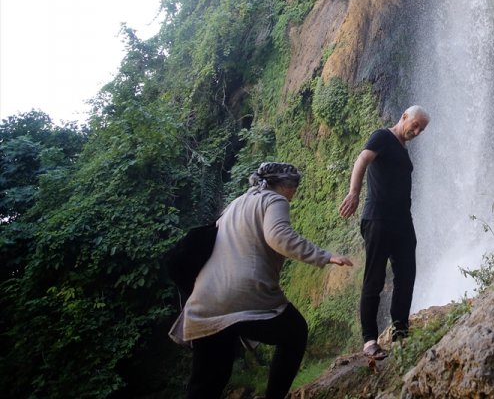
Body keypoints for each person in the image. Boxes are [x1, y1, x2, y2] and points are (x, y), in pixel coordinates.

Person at [169, 162, 353, 399]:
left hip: (205, 300)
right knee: (294, 332)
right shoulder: (274, 200)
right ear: (286, 186)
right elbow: (278, 236)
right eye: (294, 189)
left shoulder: (234, 205)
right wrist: (326, 256)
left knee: (206, 383)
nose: (293, 196)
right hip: (244, 295)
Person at [339, 105, 430, 360]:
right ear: (404, 117)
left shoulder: (401, 148)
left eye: (421, 129)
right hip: (378, 218)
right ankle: (369, 341)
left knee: (407, 275)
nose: (417, 131)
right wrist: (354, 192)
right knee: (374, 279)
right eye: (415, 125)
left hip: (402, 221)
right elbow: (362, 160)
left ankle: (400, 331)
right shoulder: (382, 136)